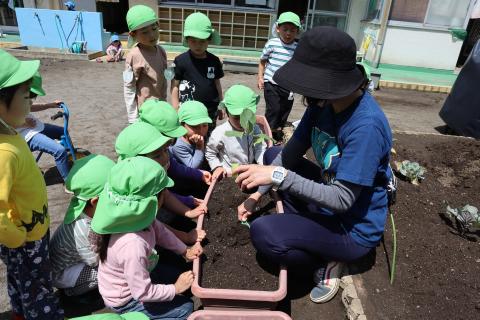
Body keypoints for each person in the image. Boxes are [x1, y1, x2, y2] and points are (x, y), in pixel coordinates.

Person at [234, 27, 393, 304]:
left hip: (352, 227)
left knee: (266, 234)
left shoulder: (365, 126)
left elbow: (343, 199)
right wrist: (256, 194)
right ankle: (311, 230)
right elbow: (290, 154)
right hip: (328, 194)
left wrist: (279, 177)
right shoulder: (323, 104)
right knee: (274, 155)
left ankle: (329, 260)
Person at [91, 156, 202, 319]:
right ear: (155, 201)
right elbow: (141, 292)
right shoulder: (132, 244)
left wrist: (185, 251)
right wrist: (175, 288)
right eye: (164, 192)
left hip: (138, 275)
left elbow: (160, 232)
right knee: (186, 308)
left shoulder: (136, 218)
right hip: (127, 300)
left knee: (178, 273)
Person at [0, 49, 64, 319]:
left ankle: (19, 311)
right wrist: (17, 238)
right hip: (25, 237)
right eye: (26, 97)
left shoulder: (11, 133)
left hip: (29, 229)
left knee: (20, 278)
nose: (31, 102)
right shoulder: (5, 152)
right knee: (37, 286)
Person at [115, 121, 208, 230]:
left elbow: (166, 194)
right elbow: (153, 226)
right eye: (157, 155)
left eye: (165, 150)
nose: (166, 157)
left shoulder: (153, 171)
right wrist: (185, 238)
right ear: (137, 160)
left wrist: (188, 212)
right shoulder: (135, 190)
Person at [50, 154, 115, 297]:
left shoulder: (87, 212)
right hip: (63, 272)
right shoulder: (84, 230)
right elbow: (95, 260)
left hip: (75, 259)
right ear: (95, 201)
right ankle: (72, 292)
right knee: (109, 273)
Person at [138, 99, 211, 198]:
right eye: (169, 136)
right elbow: (159, 194)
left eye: (205, 125)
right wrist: (199, 148)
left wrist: (199, 174)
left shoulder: (163, 151)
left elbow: (173, 166)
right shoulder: (143, 161)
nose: (171, 142)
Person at [170, 12, 224, 133]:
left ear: (209, 39)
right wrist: (175, 107)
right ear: (187, 40)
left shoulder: (214, 61)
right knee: (188, 138)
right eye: (193, 41)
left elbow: (217, 84)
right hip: (188, 111)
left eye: (202, 41)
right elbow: (174, 85)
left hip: (210, 110)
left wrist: (221, 104)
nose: (198, 45)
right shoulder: (180, 61)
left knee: (208, 137)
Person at [15, 72, 70, 181]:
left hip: (36, 127)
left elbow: (30, 106)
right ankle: (69, 183)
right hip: (26, 135)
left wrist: (50, 105)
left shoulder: (19, 94)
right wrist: (23, 123)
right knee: (59, 151)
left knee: (63, 131)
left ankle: (69, 159)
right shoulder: (5, 99)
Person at [206, 84, 266, 179]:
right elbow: (210, 152)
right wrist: (217, 167)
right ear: (227, 112)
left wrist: (261, 164)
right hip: (230, 172)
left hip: (250, 169)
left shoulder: (254, 128)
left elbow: (260, 147)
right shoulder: (220, 132)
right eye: (237, 117)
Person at [258, 12, 300, 142]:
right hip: (271, 82)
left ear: (297, 31)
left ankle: (278, 130)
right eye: (285, 29)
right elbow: (262, 61)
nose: (288, 33)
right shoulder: (272, 43)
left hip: (288, 85)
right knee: (274, 108)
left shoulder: (297, 47)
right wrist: (260, 77)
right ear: (277, 29)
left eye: (292, 30)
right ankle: (268, 134)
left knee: (284, 109)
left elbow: (299, 65)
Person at [123, 5, 167, 123]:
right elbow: (129, 87)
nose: (151, 35)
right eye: (145, 32)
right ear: (133, 34)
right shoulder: (133, 56)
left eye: (154, 29)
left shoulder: (161, 51)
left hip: (161, 108)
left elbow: (163, 79)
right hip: (145, 113)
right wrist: (133, 118)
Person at [170, 101, 211, 169]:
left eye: (205, 125)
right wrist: (199, 147)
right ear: (182, 125)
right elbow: (192, 166)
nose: (201, 131)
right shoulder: (178, 145)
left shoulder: (205, 135)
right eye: (195, 126)